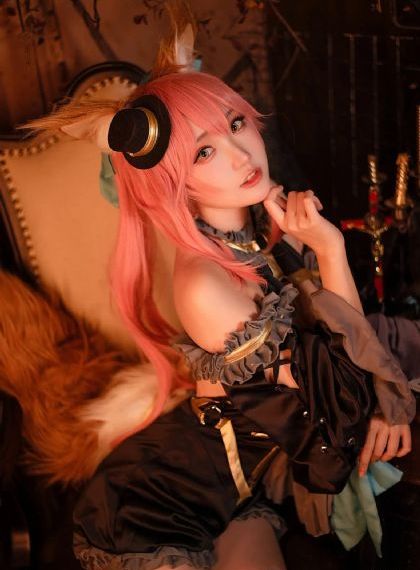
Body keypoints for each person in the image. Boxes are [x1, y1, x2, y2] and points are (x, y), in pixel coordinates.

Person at [29, 69, 414, 570]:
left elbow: (342, 356)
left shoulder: (257, 234)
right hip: (157, 508)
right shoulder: (204, 286)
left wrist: (314, 248)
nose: (241, 155)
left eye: (235, 123)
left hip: (236, 496)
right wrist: (331, 249)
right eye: (203, 152)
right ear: (174, 182)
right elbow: (338, 405)